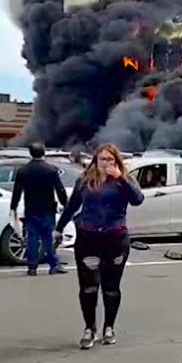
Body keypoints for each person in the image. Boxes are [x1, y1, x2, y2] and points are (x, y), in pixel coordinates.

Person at [54, 143, 144, 349]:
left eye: (110, 159)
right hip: (88, 238)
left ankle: (109, 327)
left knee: (111, 287)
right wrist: (58, 229)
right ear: (95, 160)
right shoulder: (85, 180)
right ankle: (90, 328)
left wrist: (120, 178)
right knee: (88, 287)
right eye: (102, 159)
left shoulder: (124, 180)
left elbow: (137, 199)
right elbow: (72, 206)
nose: (106, 163)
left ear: (117, 162)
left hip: (115, 239)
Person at [10, 144, 69, 276]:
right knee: (48, 237)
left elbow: (17, 191)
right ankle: (53, 265)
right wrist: (65, 203)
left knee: (32, 238)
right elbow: (59, 189)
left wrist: (13, 206)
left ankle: (32, 266)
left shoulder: (23, 170)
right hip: (47, 208)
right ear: (44, 153)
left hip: (31, 208)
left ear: (30, 153)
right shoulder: (50, 170)